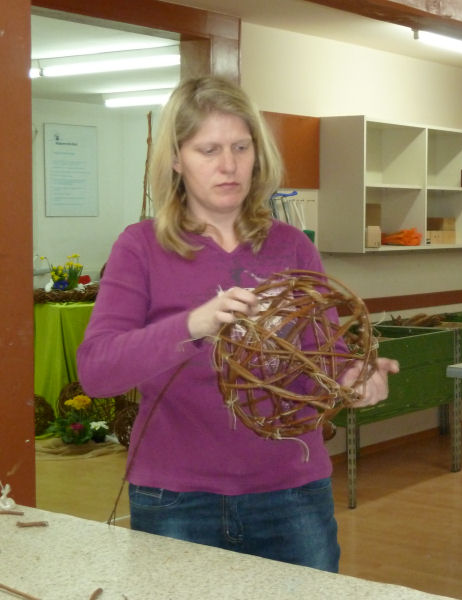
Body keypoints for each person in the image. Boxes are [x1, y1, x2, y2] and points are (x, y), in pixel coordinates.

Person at [77, 76, 399, 572]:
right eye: (208, 150)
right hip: (175, 498)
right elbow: (97, 371)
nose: (228, 165)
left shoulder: (292, 246)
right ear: (177, 160)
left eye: (240, 147)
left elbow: (325, 359)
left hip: (291, 493)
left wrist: (354, 377)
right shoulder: (140, 247)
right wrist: (193, 324)